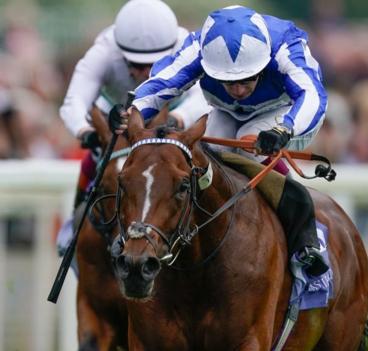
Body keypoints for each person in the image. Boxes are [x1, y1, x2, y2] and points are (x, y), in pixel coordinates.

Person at [114, 5, 329, 278]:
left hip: (285, 113)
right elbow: (160, 84)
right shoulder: (199, 49)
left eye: (247, 79)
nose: (239, 90)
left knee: (244, 141)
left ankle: (304, 237)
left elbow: (312, 96)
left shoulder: (286, 46)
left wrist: (284, 130)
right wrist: (130, 112)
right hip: (225, 112)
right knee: (207, 156)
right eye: (228, 82)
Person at [57, 0, 209, 259]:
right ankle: (75, 224)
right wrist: (86, 133)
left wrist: (177, 118)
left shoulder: (188, 46)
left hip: (172, 120)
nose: (143, 73)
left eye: (151, 65)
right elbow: (74, 101)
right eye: (135, 65)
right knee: (94, 161)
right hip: (120, 117)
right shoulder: (104, 49)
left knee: (204, 158)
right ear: (121, 52)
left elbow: (205, 97)